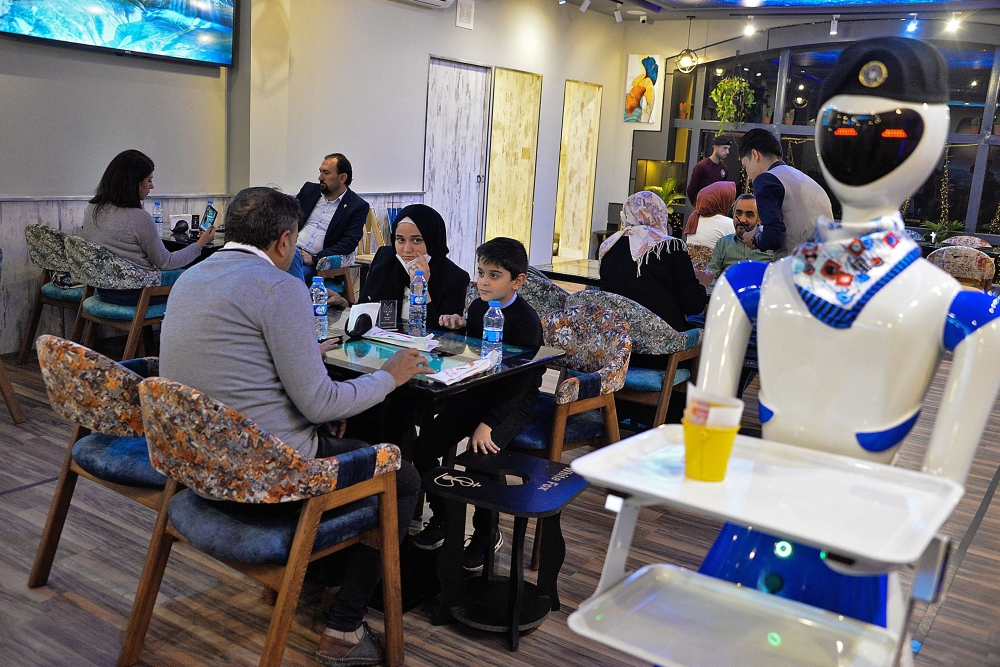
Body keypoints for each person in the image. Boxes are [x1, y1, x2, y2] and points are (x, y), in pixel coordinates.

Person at [158, 187, 430, 667]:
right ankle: (343, 627)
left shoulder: (190, 277)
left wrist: (308, 353)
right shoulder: (279, 287)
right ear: (285, 241)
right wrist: (391, 377)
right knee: (402, 476)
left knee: (349, 435)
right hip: (267, 472)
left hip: (196, 463)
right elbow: (321, 402)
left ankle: (325, 580)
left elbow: (240, 364)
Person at [410, 237, 545, 572]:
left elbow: (523, 381)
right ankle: (442, 519)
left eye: (494, 275)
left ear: (518, 280)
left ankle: (485, 535)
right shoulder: (478, 307)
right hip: (476, 393)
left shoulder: (526, 321)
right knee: (424, 447)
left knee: (480, 458)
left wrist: (488, 422)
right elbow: (475, 358)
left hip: (511, 402)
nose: (483, 281)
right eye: (481, 272)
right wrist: (459, 330)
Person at [80, 149, 215, 304]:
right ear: (135, 183)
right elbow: (166, 262)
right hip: (138, 294)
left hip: (104, 291)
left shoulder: (92, 209)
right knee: (203, 276)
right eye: (149, 180)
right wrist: (200, 244)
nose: (152, 186)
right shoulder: (138, 217)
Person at [599, 191, 710, 334]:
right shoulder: (672, 247)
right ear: (660, 213)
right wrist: (702, 285)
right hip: (663, 341)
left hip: (617, 338)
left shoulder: (608, 246)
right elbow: (692, 306)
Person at [359, 204, 470, 328]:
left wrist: (421, 289)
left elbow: (443, 335)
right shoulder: (385, 260)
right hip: (381, 344)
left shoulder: (455, 278)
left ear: (432, 240)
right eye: (400, 240)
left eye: (417, 240)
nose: (407, 249)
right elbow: (362, 310)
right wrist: (343, 302)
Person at [738, 128, 834, 259]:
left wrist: (755, 239)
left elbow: (774, 237)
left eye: (745, 166)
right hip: (826, 264)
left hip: (795, 267)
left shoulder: (765, 180)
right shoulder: (806, 180)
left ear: (755, 155)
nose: (748, 176)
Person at [288, 153, 370, 283]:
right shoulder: (309, 190)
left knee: (290, 277)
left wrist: (315, 258)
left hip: (313, 263)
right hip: (291, 249)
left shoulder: (357, 206)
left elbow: (348, 243)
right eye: (320, 172)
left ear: (342, 178)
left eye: (326, 173)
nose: (320, 177)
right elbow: (289, 217)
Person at [704, 194, 773, 286]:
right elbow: (712, 276)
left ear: (759, 219)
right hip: (729, 296)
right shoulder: (723, 243)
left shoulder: (770, 244)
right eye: (738, 213)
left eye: (749, 215)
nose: (742, 219)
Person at [684, 180, 737, 249]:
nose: (732, 204)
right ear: (723, 201)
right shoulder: (729, 224)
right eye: (730, 200)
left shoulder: (694, 219)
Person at [686, 135, 733, 203]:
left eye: (728, 149)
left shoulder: (724, 168)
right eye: (725, 148)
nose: (727, 152)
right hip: (702, 208)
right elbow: (691, 189)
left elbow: (722, 190)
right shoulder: (702, 166)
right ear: (715, 147)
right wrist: (697, 205)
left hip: (716, 208)